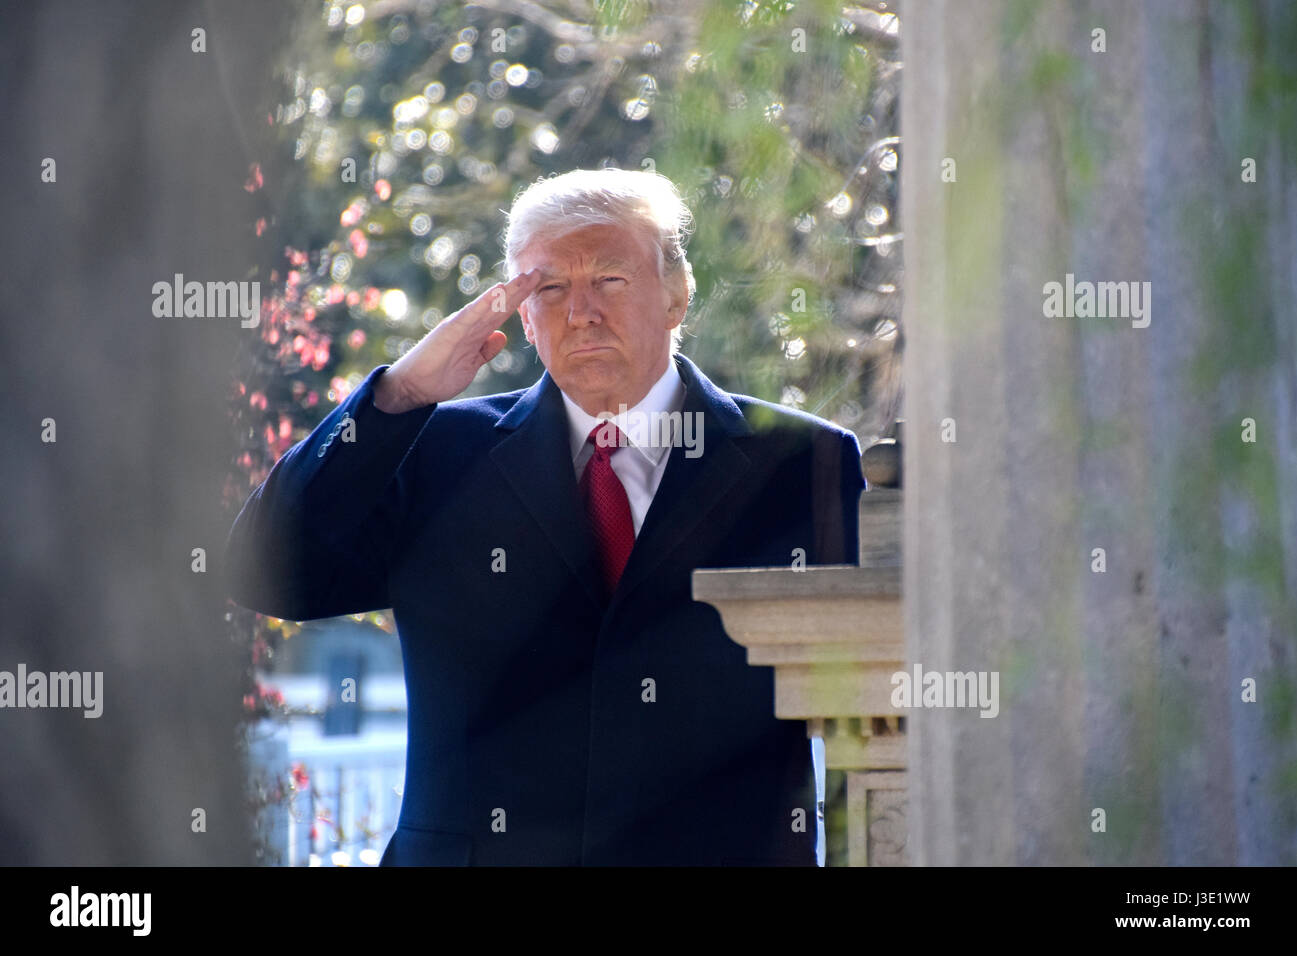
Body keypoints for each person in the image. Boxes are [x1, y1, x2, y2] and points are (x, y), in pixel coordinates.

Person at [224, 168, 865, 865]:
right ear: (521, 316)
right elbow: (269, 572)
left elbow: (871, 707)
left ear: (678, 295)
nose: (581, 311)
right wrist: (398, 393)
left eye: (610, 280)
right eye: (549, 288)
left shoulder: (803, 463)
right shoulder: (432, 452)